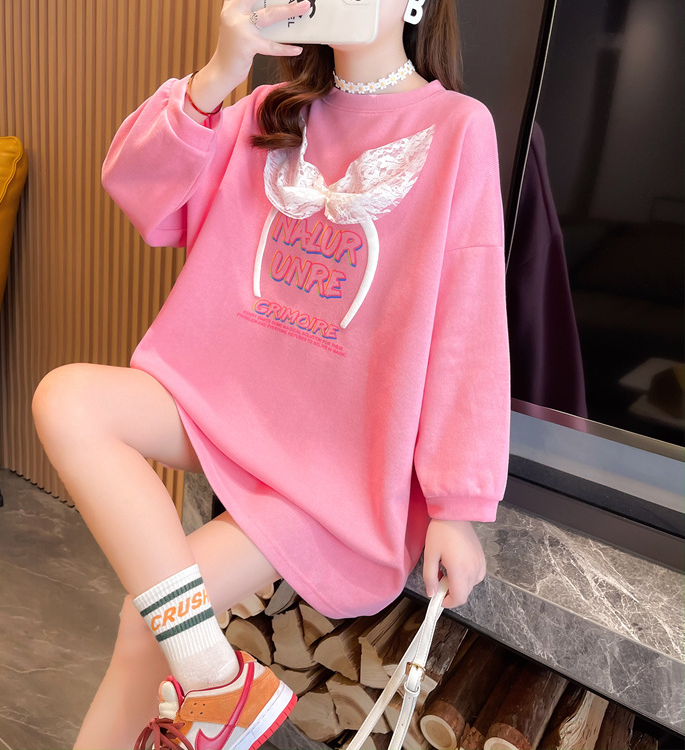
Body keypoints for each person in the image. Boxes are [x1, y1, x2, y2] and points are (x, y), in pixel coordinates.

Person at [32, 0, 510, 747]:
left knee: (147, 620)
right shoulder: (269, 109)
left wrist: (457, 504)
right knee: (66, 399)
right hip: (221, 407)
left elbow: (469, 320)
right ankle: (215, 680)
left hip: (328, 473)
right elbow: (142, 192)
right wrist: (218, 71)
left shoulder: (457, 129)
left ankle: (212, 681)